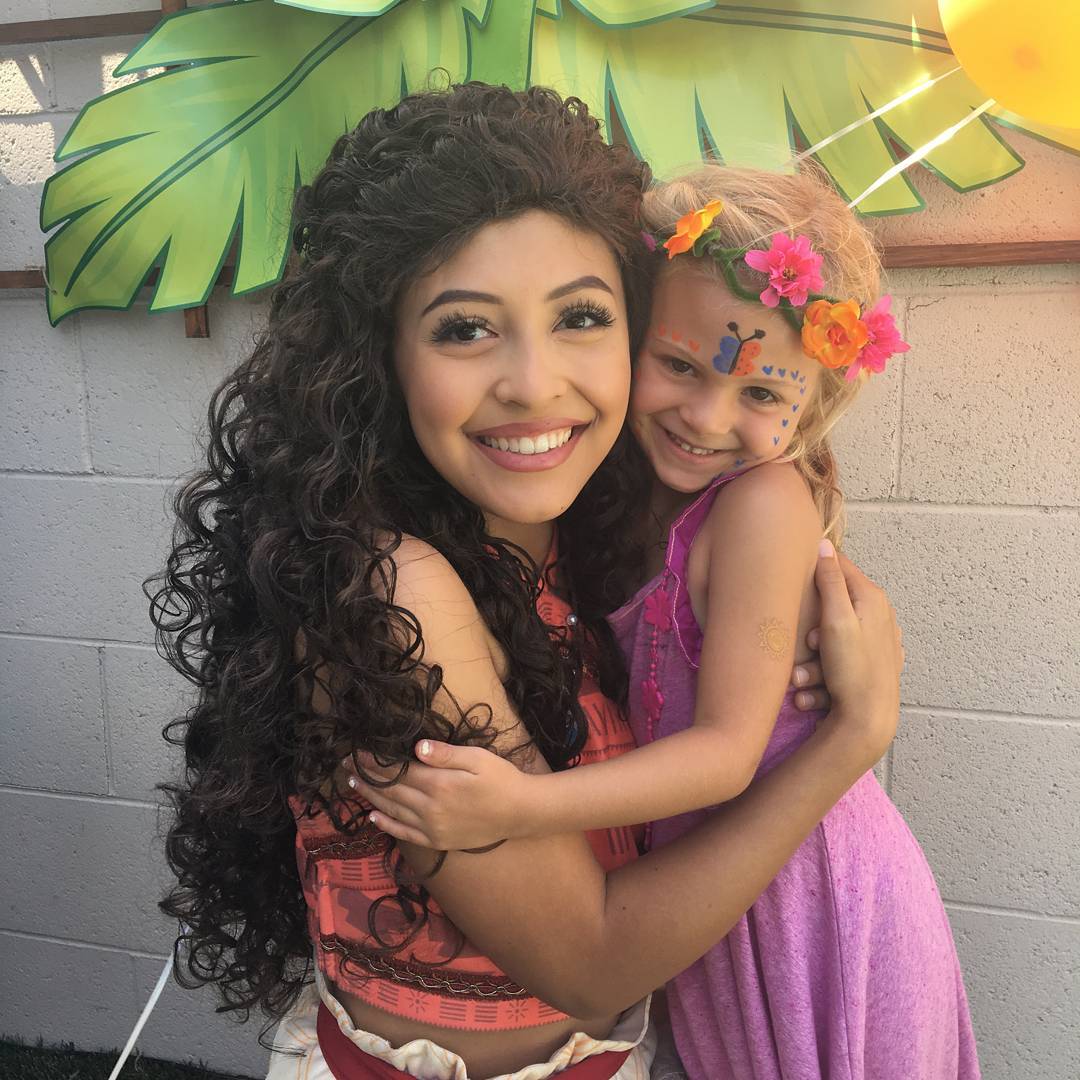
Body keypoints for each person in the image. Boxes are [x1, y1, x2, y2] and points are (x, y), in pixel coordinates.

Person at [149, 87, 902, 1080]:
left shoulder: (587, 536)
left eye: (581, 317)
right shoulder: (392, 592)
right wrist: (852, 740)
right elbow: (591, 963)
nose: (535, 383)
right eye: (466, 329)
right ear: (379, 358)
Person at [355, 165, 979, 1080]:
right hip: (716, 885)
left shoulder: (762, 503)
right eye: (679, 366)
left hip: (812, 896)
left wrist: (520, 806)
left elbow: (726, 754)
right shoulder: (625, 502)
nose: (705, 416)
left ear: (812, 406)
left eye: (762, 394)